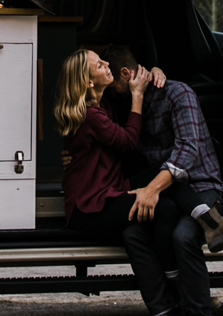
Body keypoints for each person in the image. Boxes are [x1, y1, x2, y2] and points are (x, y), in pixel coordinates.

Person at [94, 44, 223, 316]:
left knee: (183, 237)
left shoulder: (177, 94)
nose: (110, 91)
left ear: (125, 74)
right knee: (133, 235)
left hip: (200, 185)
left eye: (113, 82)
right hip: (161, 193)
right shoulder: (121, 104)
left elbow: (188, 151)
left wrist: (152, 189)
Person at [53, 47, 151, 240]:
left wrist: (155, 70)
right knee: (164, 208)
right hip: (91, 203)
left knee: (166, 176)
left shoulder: (103, 102)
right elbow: (128, 141)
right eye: (99, 64)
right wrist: (138, 95)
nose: (107, 65)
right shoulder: (90, 115)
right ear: (89, 82)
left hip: (111, 188)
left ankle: (207, 218)